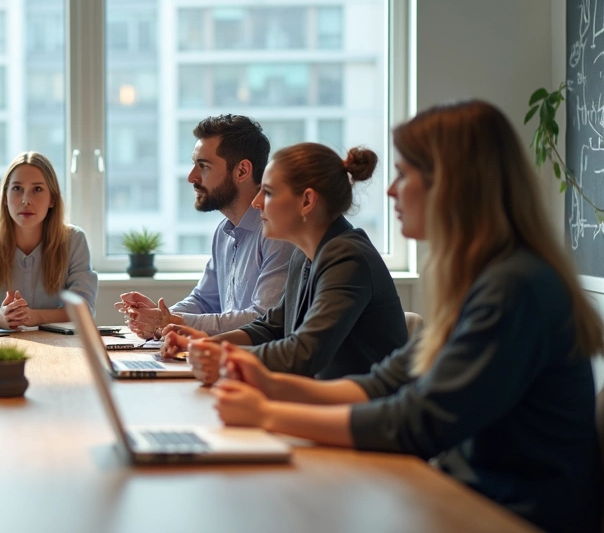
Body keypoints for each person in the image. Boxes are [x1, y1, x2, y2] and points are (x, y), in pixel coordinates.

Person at [208, 100, 603, 533]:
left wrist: (268, 414)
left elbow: (417, 422)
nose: (392, 190)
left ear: (453, 184)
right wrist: (271, 385)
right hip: (463, 498)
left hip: (506, 515)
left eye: (405, 174)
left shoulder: (516, 287)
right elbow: (386, 384)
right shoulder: (483, 278)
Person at [161, 142, 409, 381]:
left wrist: (221, 355)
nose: (257, 203)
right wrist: (204, 343)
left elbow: (302, 354)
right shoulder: (305, 254)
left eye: (267, 192)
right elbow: (270, 328)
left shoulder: (348, 258)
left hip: (359, 415)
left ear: (307, 201)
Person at [117, 115, 294, 337]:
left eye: (204, 166)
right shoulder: (224, 232)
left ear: (241, 171)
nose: (191, 177)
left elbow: (262, 319)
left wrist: (168, 321)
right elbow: (203, 301)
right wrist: (159, 317)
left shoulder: (277, 233)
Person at [0, 152, 97, 328]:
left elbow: (84, 310)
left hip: (56, 348)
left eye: (37, 189)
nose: (26, 200)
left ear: (52, 199)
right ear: (5, 197)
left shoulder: (74, 241)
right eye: (17, 189)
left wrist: (35, 317)